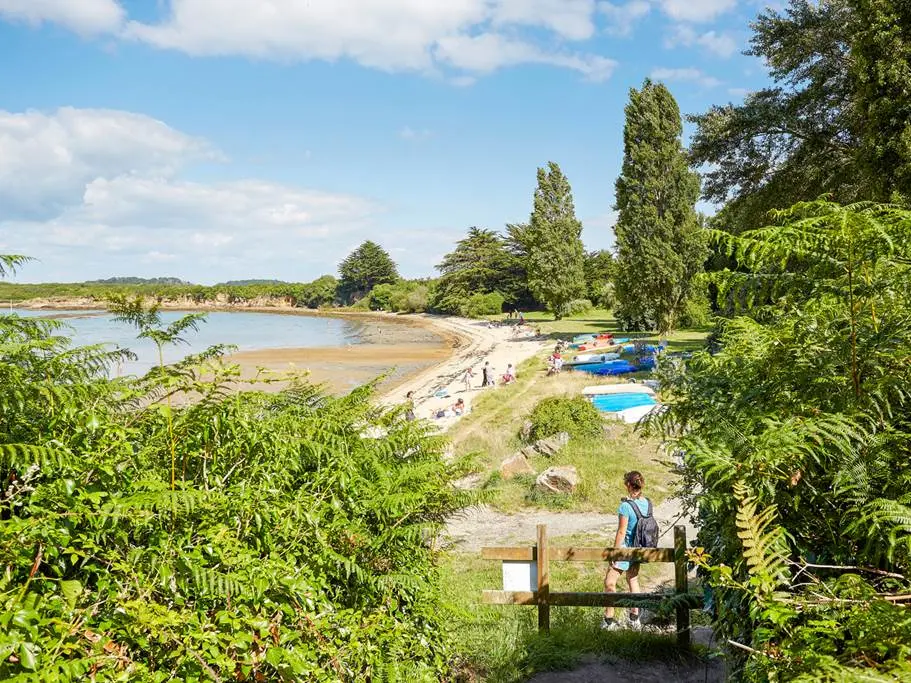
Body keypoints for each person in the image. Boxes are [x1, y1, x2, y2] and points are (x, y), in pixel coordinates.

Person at [602, 471, 651, 631]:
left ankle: (609, 620)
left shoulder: (625, 506)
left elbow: (622, 531)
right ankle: (634, 619)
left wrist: (615, 552)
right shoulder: (648, 503)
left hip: (625, 549)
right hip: (640, 549)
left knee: (610, 582)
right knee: (633, 580)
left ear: (628, 485)